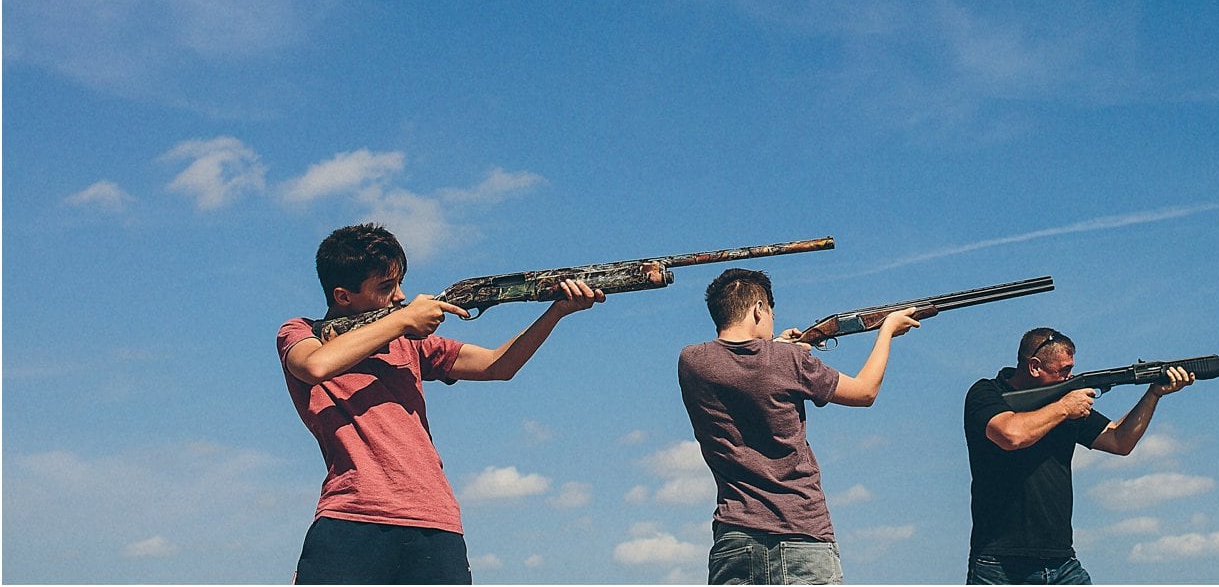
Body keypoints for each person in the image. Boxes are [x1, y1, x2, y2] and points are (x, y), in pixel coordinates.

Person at [278, 222, 599, 584]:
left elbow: (499, 365)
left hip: (436, 519)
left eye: (400, 283)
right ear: (343, 296)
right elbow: (314, 365)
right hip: (352, 515)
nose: (400, 297)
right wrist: (403, 321)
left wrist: (556, 311)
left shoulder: (411, 344)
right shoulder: (301, 332)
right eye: (386, 287)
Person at [677, 267, 923, 584]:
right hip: (802, 534)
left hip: (734, 540)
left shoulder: (692, 361)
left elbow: (745, 365)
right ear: (758, 309)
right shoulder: (789, 361)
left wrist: (777, 347)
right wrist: (886, 332)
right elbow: (865, 392)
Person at [963, 327, 1194, 584]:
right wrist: (1064, 407)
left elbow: (1119, 440)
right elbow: (1010, 435)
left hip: (1062, 561)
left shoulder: (1065, 404)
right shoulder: (987, 393)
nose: (1069, 377)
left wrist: (1153, 394)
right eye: (1063, 370)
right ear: (1035, 366)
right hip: (999, 563)